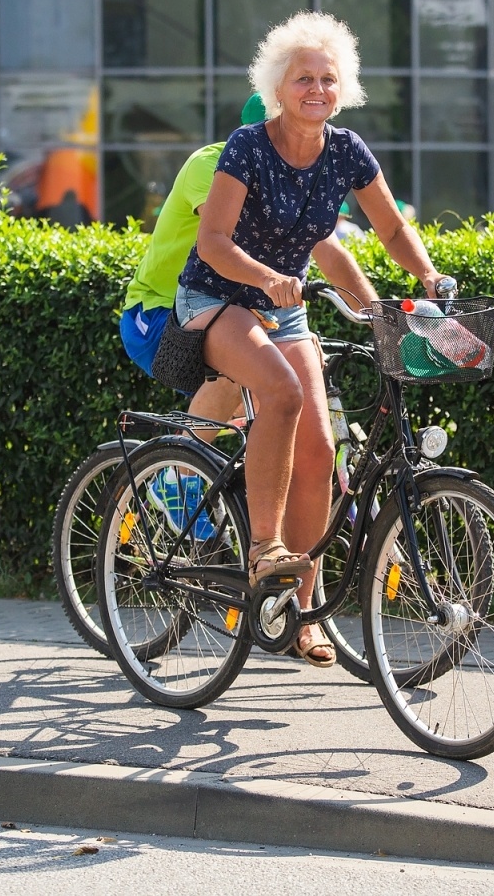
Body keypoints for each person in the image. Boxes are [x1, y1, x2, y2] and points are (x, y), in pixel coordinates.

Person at [177, 11, 447, 666]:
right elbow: (212, 242)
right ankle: (263, 548)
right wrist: (268, 276)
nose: (317, 89)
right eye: (304, 78)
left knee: (322, 453)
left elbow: (389, 229)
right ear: (279, 85)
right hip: (220, 297)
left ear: (343, 86)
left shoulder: (348, 152)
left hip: (283, 310)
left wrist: (428, 275)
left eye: (328, 79)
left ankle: (300, 609)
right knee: (282, 392)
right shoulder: (248, 145)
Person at [120, 90, 379, 667]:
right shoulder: (216, 164)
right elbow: (224, 244)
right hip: (168, 311)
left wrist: (375, 309)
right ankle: (182, 466)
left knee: (308, 433)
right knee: (259, 373)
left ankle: (296, 610)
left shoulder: (303, 163)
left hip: (262, 308)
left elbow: (325, 246)